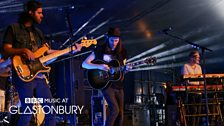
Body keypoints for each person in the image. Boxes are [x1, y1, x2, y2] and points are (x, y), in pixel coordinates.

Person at [2, 1, 81, 126]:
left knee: (51, 112)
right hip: (22, 75)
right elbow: (6, 49)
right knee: (28, 111)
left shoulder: (38, 32)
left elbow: (47, 51)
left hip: (39, 76)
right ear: (30, 13)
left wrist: (70, 50)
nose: (42, 15)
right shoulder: (14, 28)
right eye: (39, 13)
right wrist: (23, 50)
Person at [82, 27, 130, 126]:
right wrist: (99, 66)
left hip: (118, 85)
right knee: (115, 110)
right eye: (112, 40)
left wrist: (126, 70)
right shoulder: (100, 49)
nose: (114, 42)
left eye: (116, 40)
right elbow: (84, 64)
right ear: (107, 38)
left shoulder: (122, 52)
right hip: (105, 84)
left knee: (120, 115)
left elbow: (122, 71)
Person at [181, 50, 203, 126]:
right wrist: (196, 83)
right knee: (193, 111)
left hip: (198, 92)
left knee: (198, 112)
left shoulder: (199, 67)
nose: (199, 59)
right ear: (192, 58)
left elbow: (201, 80)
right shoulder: (185, 66)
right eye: (197, 57)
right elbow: (186, 81)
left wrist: (202, 84)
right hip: (190, 92)